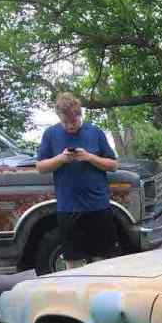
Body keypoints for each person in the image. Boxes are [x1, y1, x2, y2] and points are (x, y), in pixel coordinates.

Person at [35, 93, 119, 270]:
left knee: (103, 261)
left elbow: (113, 165)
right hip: (68, 209)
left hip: (98, 206)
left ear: (80, 114)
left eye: (73, 122)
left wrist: (89, 157)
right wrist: (61, 159)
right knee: (73, 262)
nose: (69, 126)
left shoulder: (95, 132)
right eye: (65, 122)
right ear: (59, 117)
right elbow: (41, 167)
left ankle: (102, 288)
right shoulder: (50, 134)